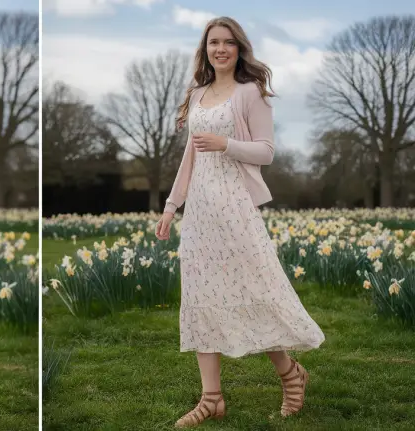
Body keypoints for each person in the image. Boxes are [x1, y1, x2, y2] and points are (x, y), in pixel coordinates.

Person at [154, 16, 325, 428]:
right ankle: (211, 398)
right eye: (214, 42)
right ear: (205, 49)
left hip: (235, 209)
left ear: (239, 48)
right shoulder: (197, 95)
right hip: (200, 214)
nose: (221, 49)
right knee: (200, 298)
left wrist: (225, 144)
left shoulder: (251, 94)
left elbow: (266, 152)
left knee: (253, 291)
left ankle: (290, 374)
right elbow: (190, 158)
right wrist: (171, 206)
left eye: (228, 42)